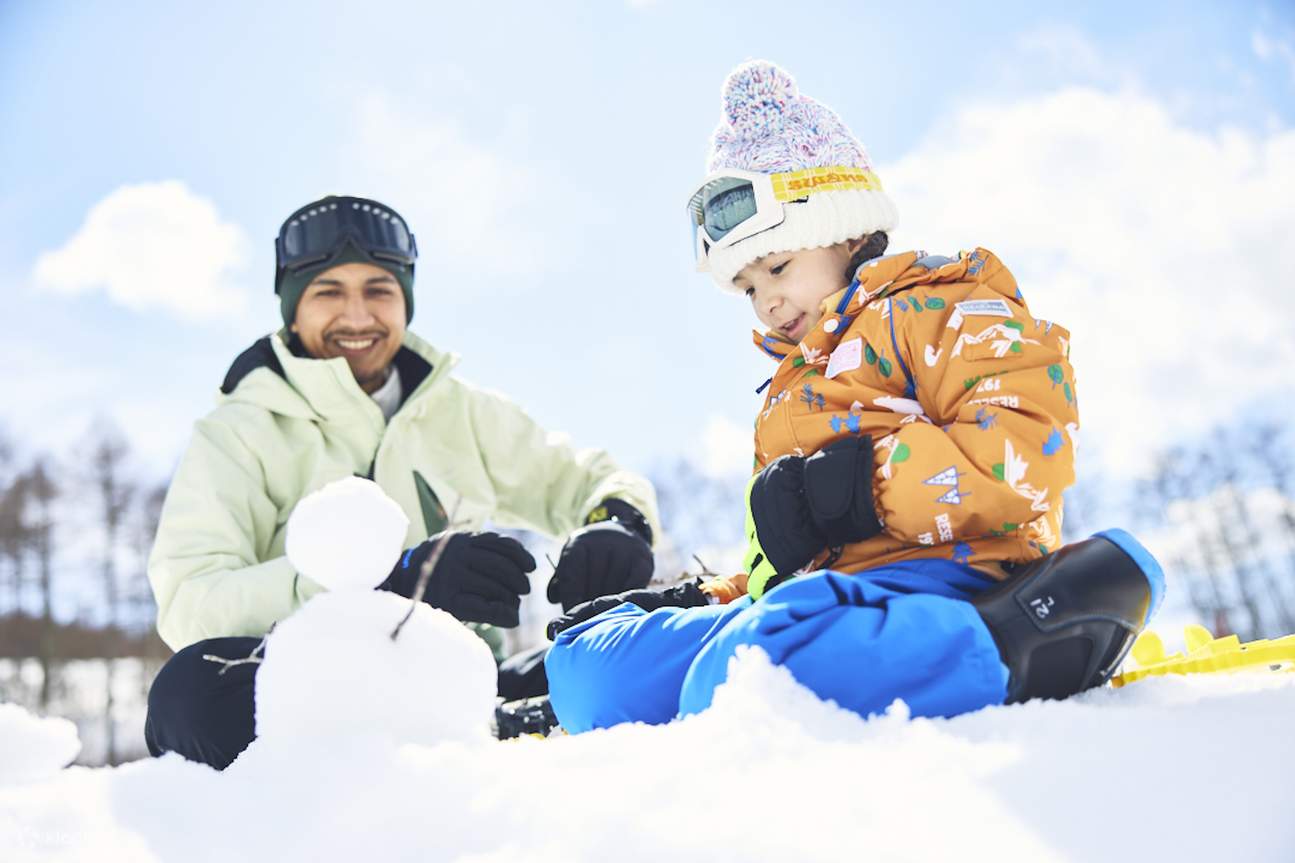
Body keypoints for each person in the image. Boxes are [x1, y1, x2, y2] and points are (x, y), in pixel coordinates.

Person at [542, 61, 1164, 734]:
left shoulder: (942, 308)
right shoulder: (784, 394)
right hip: (817, 605)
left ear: (843, 231)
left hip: (946, 582)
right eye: (747, 287)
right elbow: (783, 569)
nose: (767, 300)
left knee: (757, 660)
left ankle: (1008, 645)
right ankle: (719, 678)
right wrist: (703, 594)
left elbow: (1023, 454)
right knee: (588, 667)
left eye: (777, 266)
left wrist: (867, 484)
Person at [144, 194, 660, 768]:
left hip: (467, 683)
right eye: (329, 292)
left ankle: (497, 726)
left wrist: (617, 522)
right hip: (315, 687)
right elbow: (191, 603)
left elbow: (590, 477)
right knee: (187, 694)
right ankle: (455, 740)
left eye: (379, 291)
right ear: (292, 308)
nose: (358, 316)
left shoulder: (459, 412)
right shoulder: (239, 432)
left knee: (636, 651)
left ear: (406, 303)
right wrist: (389, 583)